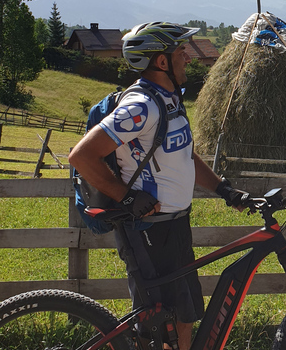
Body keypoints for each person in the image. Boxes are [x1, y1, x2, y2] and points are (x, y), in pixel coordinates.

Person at [68, 22, 246, 350]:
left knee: (184, 316)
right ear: (161, 62)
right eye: (181, 52)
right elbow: (81, 156)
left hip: (175, 226)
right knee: (155, 327)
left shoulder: (170, 102)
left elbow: (184, 157)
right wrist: (126, 196)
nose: (188, 59)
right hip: (146, 231)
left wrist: (224, 190)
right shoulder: (141, 107)